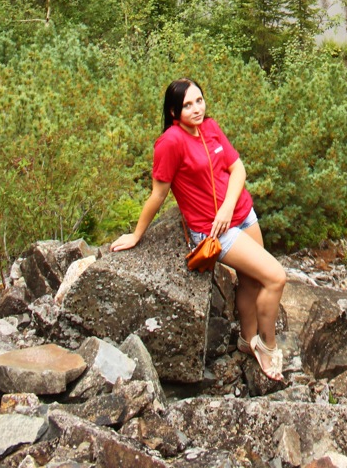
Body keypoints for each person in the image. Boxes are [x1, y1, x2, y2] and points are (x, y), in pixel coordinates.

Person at [111, 78, 287, 382]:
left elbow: (238, 169)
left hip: (241, 213)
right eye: (187, 105)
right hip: (213, 230)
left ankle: (246, 341)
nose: (196, 109)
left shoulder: (210, 127)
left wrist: (229, 206)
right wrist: (136, 234)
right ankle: (268, 346)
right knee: (276, 277)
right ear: (173, 112)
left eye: (199, 101)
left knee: (252, 281)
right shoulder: (170, 142)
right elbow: (158, 194)